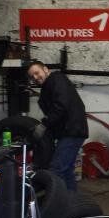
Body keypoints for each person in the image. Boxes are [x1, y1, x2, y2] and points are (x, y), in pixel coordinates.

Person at [27, 61, 88, 193]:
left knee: (56, 170)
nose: (35, 77)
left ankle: (57, 202)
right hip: (70, 131)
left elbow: (61, 105)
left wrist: (45, 124)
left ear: (45, 69)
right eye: (32, 76)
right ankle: (71, 200)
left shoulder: (57, 79)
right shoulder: (48, 86)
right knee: (66, 170)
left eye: (37, 73)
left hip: (72, 131)